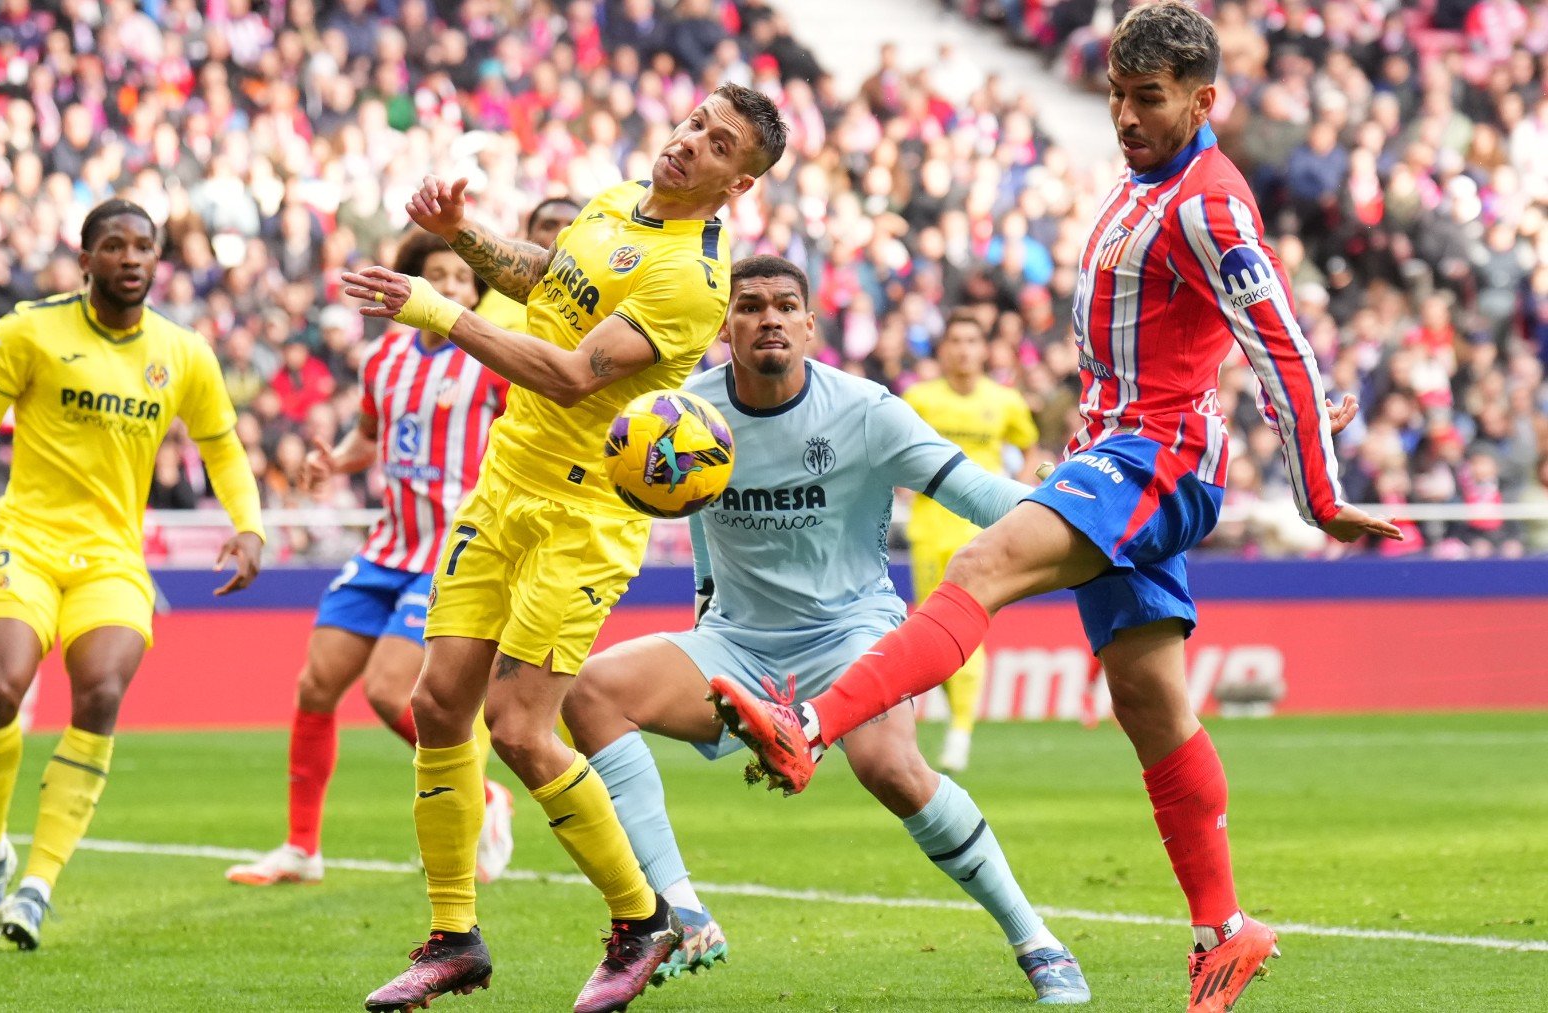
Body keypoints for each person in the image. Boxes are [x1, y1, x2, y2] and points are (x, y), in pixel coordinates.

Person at [707, 7, 1401, 1013]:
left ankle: (807, 724)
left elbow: (1277, 334)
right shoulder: (1140, 183)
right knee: (1150, 701)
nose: (1124, 114)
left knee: (978, 568)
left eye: (1147, 98)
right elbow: (1236, 329)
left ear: (1204, 101)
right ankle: (1225, 927)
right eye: (1117, 94)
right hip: (1113, 449)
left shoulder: (1209, 201)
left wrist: (1322, 488)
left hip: (1149, 457)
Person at [341, 83, 787, 1013]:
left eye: (716, 144)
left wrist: (439, 311)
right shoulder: (620, 198)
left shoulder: (693, 278)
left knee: (519, 727)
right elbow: (549, 281)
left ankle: (643, 917)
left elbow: (575, 375)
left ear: (738, 184)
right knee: (436, 704)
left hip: (582, 520)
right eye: (694, 123)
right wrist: (466, 234)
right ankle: (454, 937)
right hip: (505, 484)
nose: (687, 143)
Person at [562, 256, 1091, 1004]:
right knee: (592, 692)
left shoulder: (867, 410)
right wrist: (705, 612)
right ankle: (680, 909)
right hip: (738, 642)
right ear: (726, 328)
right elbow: (699, 522)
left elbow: (981, 495)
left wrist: (1084, 509)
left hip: (852, 633)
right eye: (749, 306)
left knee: (891, 768)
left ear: (812, 325)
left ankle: (1037, 940)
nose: (768, 317)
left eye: (785, 305)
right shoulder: (686, 415)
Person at [0, 199, 265, 951]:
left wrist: (250, 528)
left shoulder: (184, 354)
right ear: (85, 260)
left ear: (157, 259)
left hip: (113, 558)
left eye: (143, 246)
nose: (130, 257)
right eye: (112, 245)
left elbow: (223, 447)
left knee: (103, 690)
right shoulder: (30, 331)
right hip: (26, 541)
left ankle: (37, 886)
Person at [225, 230, 515, 888]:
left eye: (464, 279)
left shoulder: (492, 360)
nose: (451, 286)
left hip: (452, 548)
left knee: (390, 690)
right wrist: (335, 459)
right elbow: (369, 437)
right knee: (315, 686)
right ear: (410, 286)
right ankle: (302, 847)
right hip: (388, 544)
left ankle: (485, 795)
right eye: (437, 274)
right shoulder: (384, 358)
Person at [903, 309, 1042, 773]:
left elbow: (1030, 448)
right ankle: (953, 719)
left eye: (971, 340)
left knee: (969, 627)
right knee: (933, 632)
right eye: (955, 340)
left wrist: (1022, 495)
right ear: (942, 350)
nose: (963, 349)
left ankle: (961, 730)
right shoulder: (919, 399)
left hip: (982, 533)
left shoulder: (1004, 401)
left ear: (985, 349)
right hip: (929, 530)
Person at [472, 197, 583, 333]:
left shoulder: (601, 301)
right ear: (529, 238)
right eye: (549, 226)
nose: (562, 234)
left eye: (573, 227)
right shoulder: (496, 285)